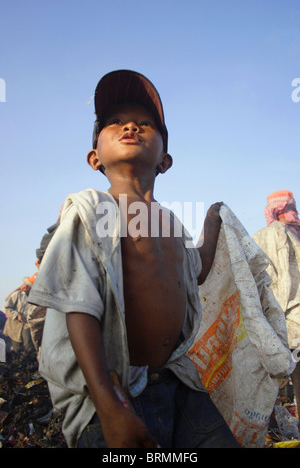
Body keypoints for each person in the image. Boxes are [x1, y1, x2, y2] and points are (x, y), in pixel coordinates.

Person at [29, 70, 239, 448]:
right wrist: (110, 408)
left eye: (145, 124)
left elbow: (196, 270)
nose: (130, 126)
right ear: (95, 158)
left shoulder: (170, 221)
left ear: (165, 160)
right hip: (115, 391)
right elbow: (79, 305)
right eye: (115, 122)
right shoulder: (92, 210)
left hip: (178, 381)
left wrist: (211, 221)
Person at [253, 190, 300, 416]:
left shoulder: (271, 233)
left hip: (287, 318)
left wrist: (271, 317)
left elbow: (277, 280)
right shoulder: (295, 233)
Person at [3, 275, 37, 353]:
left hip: (27, 326)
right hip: (14, 328)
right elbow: (7, 307)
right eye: (25, 284)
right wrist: (16, 315)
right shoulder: (17, 295)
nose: (25, 287)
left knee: (29, 347)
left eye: (29, 286)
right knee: (16, 350)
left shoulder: (34, 298)